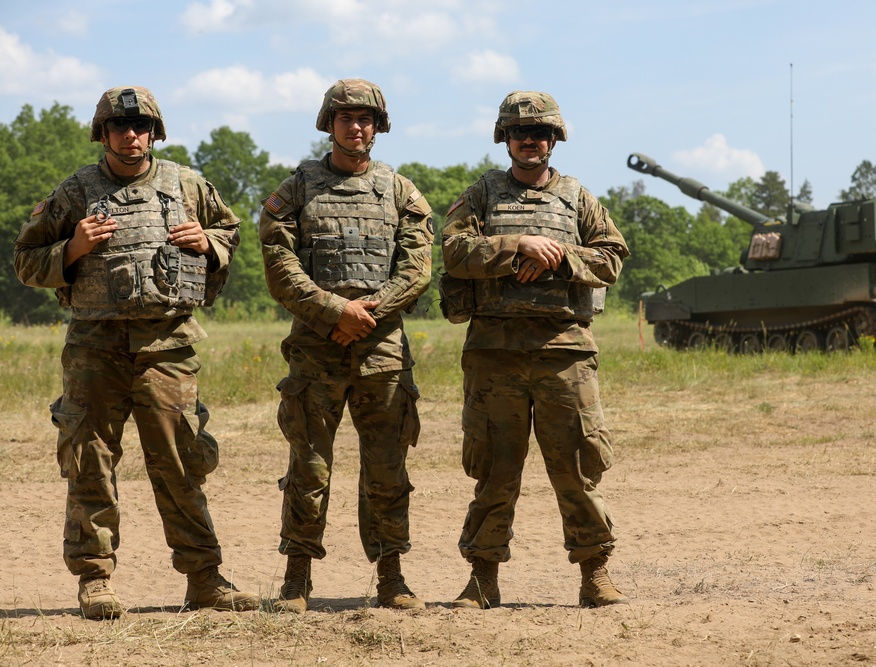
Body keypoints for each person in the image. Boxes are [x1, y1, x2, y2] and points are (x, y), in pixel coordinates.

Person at [13, 86, 258, 619]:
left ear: (155, 132)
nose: (131, 136)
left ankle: (204, 578)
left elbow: (231, 232)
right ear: (102, 134)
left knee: (180, 460)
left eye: (141, 126)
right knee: (90, 461)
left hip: (166, 345)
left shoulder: (187, 184)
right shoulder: (75, 193)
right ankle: (96, 579)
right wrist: (74, 248)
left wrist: (207, 243)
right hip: (94, 347)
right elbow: (25, 261)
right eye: (119, 127)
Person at [440, 90, 631, 609]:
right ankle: (482, 579)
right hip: (494, 356)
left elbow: (612, 256)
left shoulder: (578, 198)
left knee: (576, 467)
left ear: (555, 139)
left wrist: (558, 257)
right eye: (521, 132)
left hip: (563, 353)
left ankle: (595, 574)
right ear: (505, 138)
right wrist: (516, 246)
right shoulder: (480, 195)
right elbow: (454, 250)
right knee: (495, 469)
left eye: (541, 132)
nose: (531, 140)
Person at [259, 79, 433, 613]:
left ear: (378, 127)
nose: (356, 127)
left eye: (365, 119)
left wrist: (367, 314)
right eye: (345, 118)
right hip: (316, 349)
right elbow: (279, 265)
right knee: (308, 466)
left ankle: (392, 577)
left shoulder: (402, 193)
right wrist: (335, 312)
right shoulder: (296, 189)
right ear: (328, 124)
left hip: (381, 352)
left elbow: (417, 268)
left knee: (386, 467)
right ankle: (296, 578)